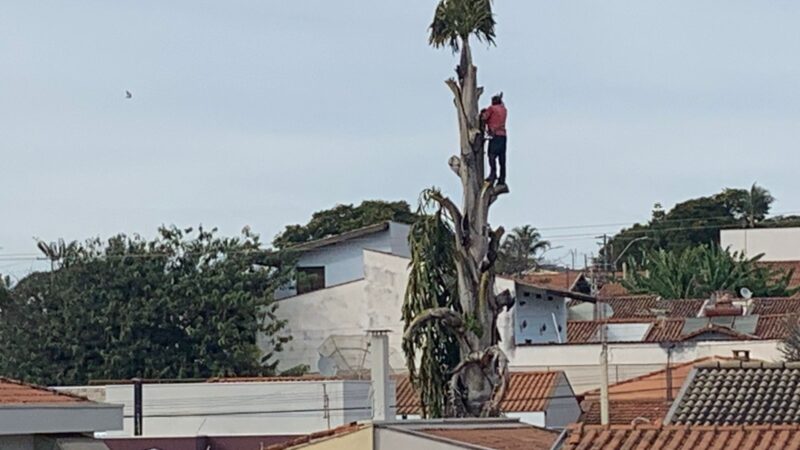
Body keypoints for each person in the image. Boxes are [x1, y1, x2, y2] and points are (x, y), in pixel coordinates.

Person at [481, 93, 508, 186]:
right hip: (503, 136)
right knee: (502, 159)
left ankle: (493, 175)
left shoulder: (492, 108)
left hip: (495, 135)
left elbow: (484, 117)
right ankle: (502, 179)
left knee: (491, 156)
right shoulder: (504, 110)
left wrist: (482, 113)